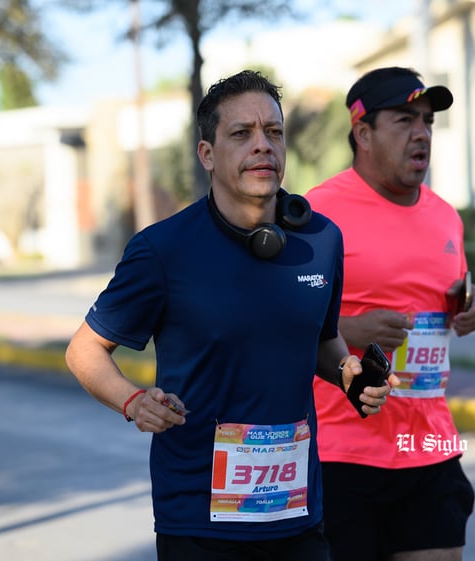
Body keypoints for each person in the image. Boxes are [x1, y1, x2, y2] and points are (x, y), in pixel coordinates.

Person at [65, 69, 394, 561]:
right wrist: (133, 401)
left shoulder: (321, 241)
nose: (262, 146)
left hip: (297, 511)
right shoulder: (163, 250)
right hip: (200, 522)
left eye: (273, 132)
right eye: (242, 134)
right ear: (207, 155)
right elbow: (84, 350)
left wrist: (348, 373)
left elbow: (323, 342)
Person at [305, 67, 475, 561]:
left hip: (427, 445)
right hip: (341, 452)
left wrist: (470, 306)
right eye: (405, 120)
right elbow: (270, 323)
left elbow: (449, 297)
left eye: (427, 121)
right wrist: (350, 330)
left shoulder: (445, 214)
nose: (422, 133)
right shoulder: (316, 216)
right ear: (362, 132)